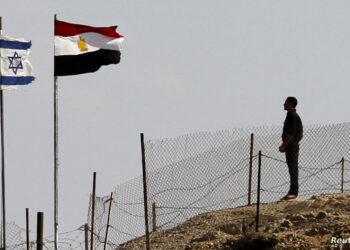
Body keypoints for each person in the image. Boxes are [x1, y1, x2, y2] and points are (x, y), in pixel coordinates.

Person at [279, 97, 303, 200]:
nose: (284, 104)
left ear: (291, 103)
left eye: (285, 102)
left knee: (293, 168)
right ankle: (292, 191)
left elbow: (291, 134)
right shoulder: (291, 115)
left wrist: (284, 145)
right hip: (291, 146)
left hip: (291, 146)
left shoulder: (292, 115)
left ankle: (293, 192)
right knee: (291, 169)